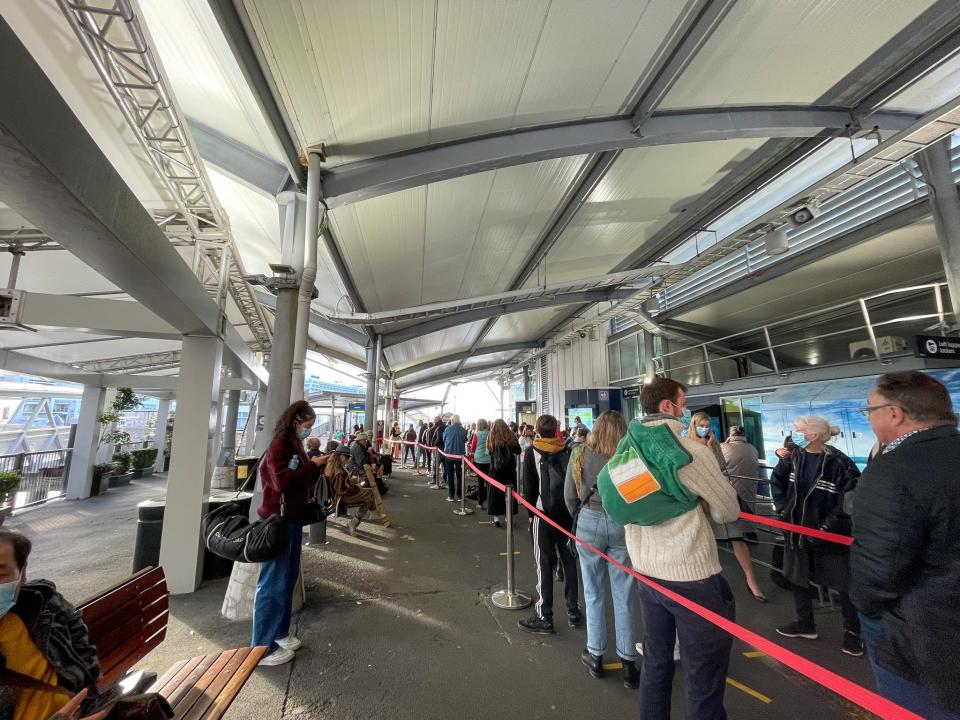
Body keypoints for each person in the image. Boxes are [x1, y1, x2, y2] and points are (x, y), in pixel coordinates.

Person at [624, 378, 740, 720]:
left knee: (657, 663)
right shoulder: (691, 452)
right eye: (682, 402)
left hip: (647, 571)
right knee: (703, 677)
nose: (686, 410)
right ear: (666, 407)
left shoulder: (629, 448)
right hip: (691, 575)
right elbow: (728, 510)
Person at [851, 371, 960, 718]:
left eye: (870, 410)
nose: (869, 419)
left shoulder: (890, 470)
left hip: (921, 634)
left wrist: (866, 608)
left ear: (895, 414)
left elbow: (879, 571)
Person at [771, 415, 862, 656]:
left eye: (800, 431)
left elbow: (849, 501)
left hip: (831, 537)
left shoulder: (841, 463)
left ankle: (852, 634)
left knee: (844, 585)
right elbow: (778, 481)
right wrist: (782, 508)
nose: (796, 435)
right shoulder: (795, 458)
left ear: (814, 435)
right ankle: (805, 624)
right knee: (798, 579)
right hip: (797, 532)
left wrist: (825, 528)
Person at [563, 411, 639, 689]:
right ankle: (628, 662)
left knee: (593, 592)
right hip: (622, 523)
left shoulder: (580, 453)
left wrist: (580, 518)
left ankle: (595, 654)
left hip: (589, 522)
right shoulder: (630, 455)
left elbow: (570, 495)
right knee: (624, 593)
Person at [0, 530, 104, 720]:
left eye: (0, 573)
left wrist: (89, 681)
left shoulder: (42, 604)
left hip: (84, 709)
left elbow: (77, 629)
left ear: (22, 573)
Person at [253, 400, 326, 666]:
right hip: (277, 522)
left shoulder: (295, 445)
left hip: (292, 519)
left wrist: (314, 466)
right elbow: (281, 482)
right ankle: (262, 647)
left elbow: (301, 478)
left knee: (287, 578)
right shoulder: (278, 446)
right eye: (306, 426)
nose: (307, 431)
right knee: (271, 583)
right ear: (295, 421)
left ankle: (279, 633)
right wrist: (313, 465)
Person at [689, 413, 766, 603]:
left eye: (707, 425)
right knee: (704, 540)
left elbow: (722, 468)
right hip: (700, 497)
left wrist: (709, 449)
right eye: (701, 425)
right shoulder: (687, 444)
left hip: (719, 495)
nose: (705, 428)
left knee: (736, 536)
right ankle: (707, 584)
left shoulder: (715, 445)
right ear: (694, 425)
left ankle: (751, 580)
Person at [518, 414, 582, 635]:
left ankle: (545, 615)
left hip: (542, 515)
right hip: (566, 516)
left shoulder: (530, 452)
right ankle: (574, 610)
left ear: (536, 430)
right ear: (557, 430)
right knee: (569, 563)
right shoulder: (568, 451)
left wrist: (530, 516)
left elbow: (528, 488)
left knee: (543, 565)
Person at [324, 447, 377, 536]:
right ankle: (372, 512)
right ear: (341, 457)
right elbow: (342, 491)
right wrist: (357, 487)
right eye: (347, 457)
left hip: (339, 497)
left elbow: (341, 486)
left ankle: (356, 521)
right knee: (370, 493)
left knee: (368, 497)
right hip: (343, 498)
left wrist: (353, 483)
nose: (348, 460)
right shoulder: (339, 472)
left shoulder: (333, 467)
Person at [486, 419, 520, 528]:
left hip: (495, 471)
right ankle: (508, 517)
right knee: (509, 493)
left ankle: (496, 518)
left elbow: (489, 451)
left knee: (495, 494)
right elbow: (518, 450)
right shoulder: (511, 436)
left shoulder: (491, 437)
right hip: (509, 471)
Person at [442, 415, 468, 502]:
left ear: (452, 420)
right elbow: (465, 440)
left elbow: (444, 439)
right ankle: (460, 496)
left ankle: (451, 496)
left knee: (450, 475)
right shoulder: (464, 430)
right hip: (460, 456)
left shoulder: (447, 429)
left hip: (449, 455)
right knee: (459, 476)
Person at [468, 419, 491, 509]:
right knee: (489, 482)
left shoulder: (476, 434)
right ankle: (490, 502)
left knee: (480, 482)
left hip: (479, 460)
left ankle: (480, 502)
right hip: (489, 460)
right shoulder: (490, 434)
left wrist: (471, 452)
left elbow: (473, 447)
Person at [428, 416, 446, 489]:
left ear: (436, 421)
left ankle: (435, 480)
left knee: (435, 465)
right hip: (445, 449)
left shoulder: (437, 428)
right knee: (445, 466)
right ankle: (445, 480)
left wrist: (433, 444)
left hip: (438, 448)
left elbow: (437, 439)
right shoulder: (445, 427)